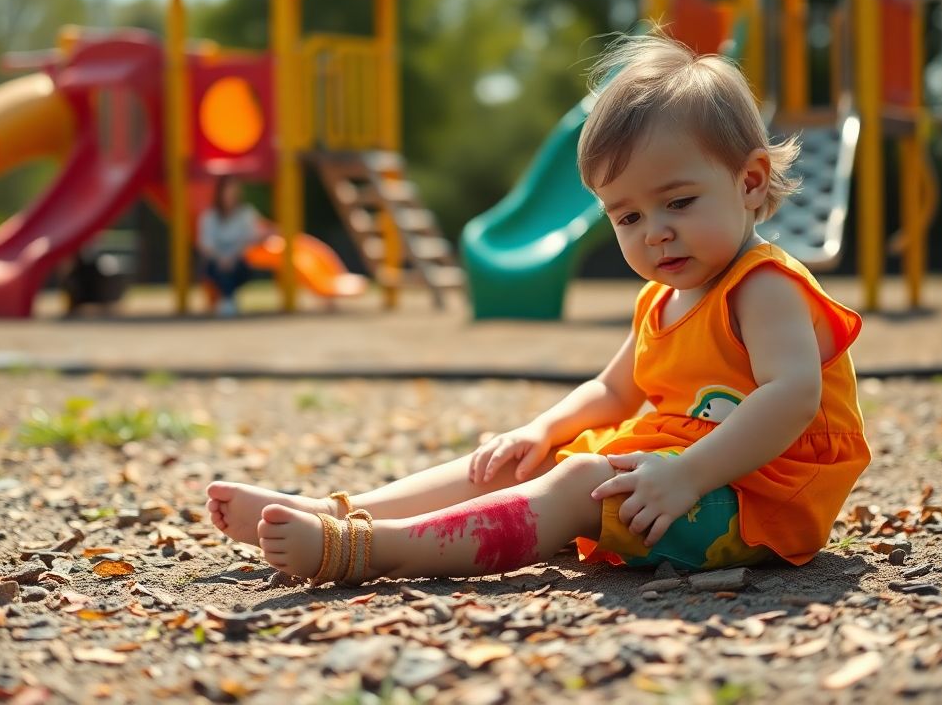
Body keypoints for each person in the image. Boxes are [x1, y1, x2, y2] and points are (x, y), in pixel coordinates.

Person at [205, 32, 871, 585]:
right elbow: (613, 389)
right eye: (628, 215)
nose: (655, 232)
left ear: (750, 182)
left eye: (679, 202)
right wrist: (542, 429)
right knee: (520, 461)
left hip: (756, 500)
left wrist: (687, 475)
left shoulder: (765, 287)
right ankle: (339, 511)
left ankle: (376, 551)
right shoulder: (662, 297)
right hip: (682, 472)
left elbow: (792, 396)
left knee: (580, 479)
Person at [198, 177, 271, 317]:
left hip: (239, 262)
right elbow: (206, 245)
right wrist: (221, 258)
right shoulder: (209, 216)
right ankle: (228, 299)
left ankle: (227, 300)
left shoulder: (246, 214)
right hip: (216, 263)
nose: (230, 196)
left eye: (234, 192)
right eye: (227, 192)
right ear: (220, 193)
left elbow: (251, 240)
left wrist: (231, 257)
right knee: (219, 268)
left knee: (234, 267)